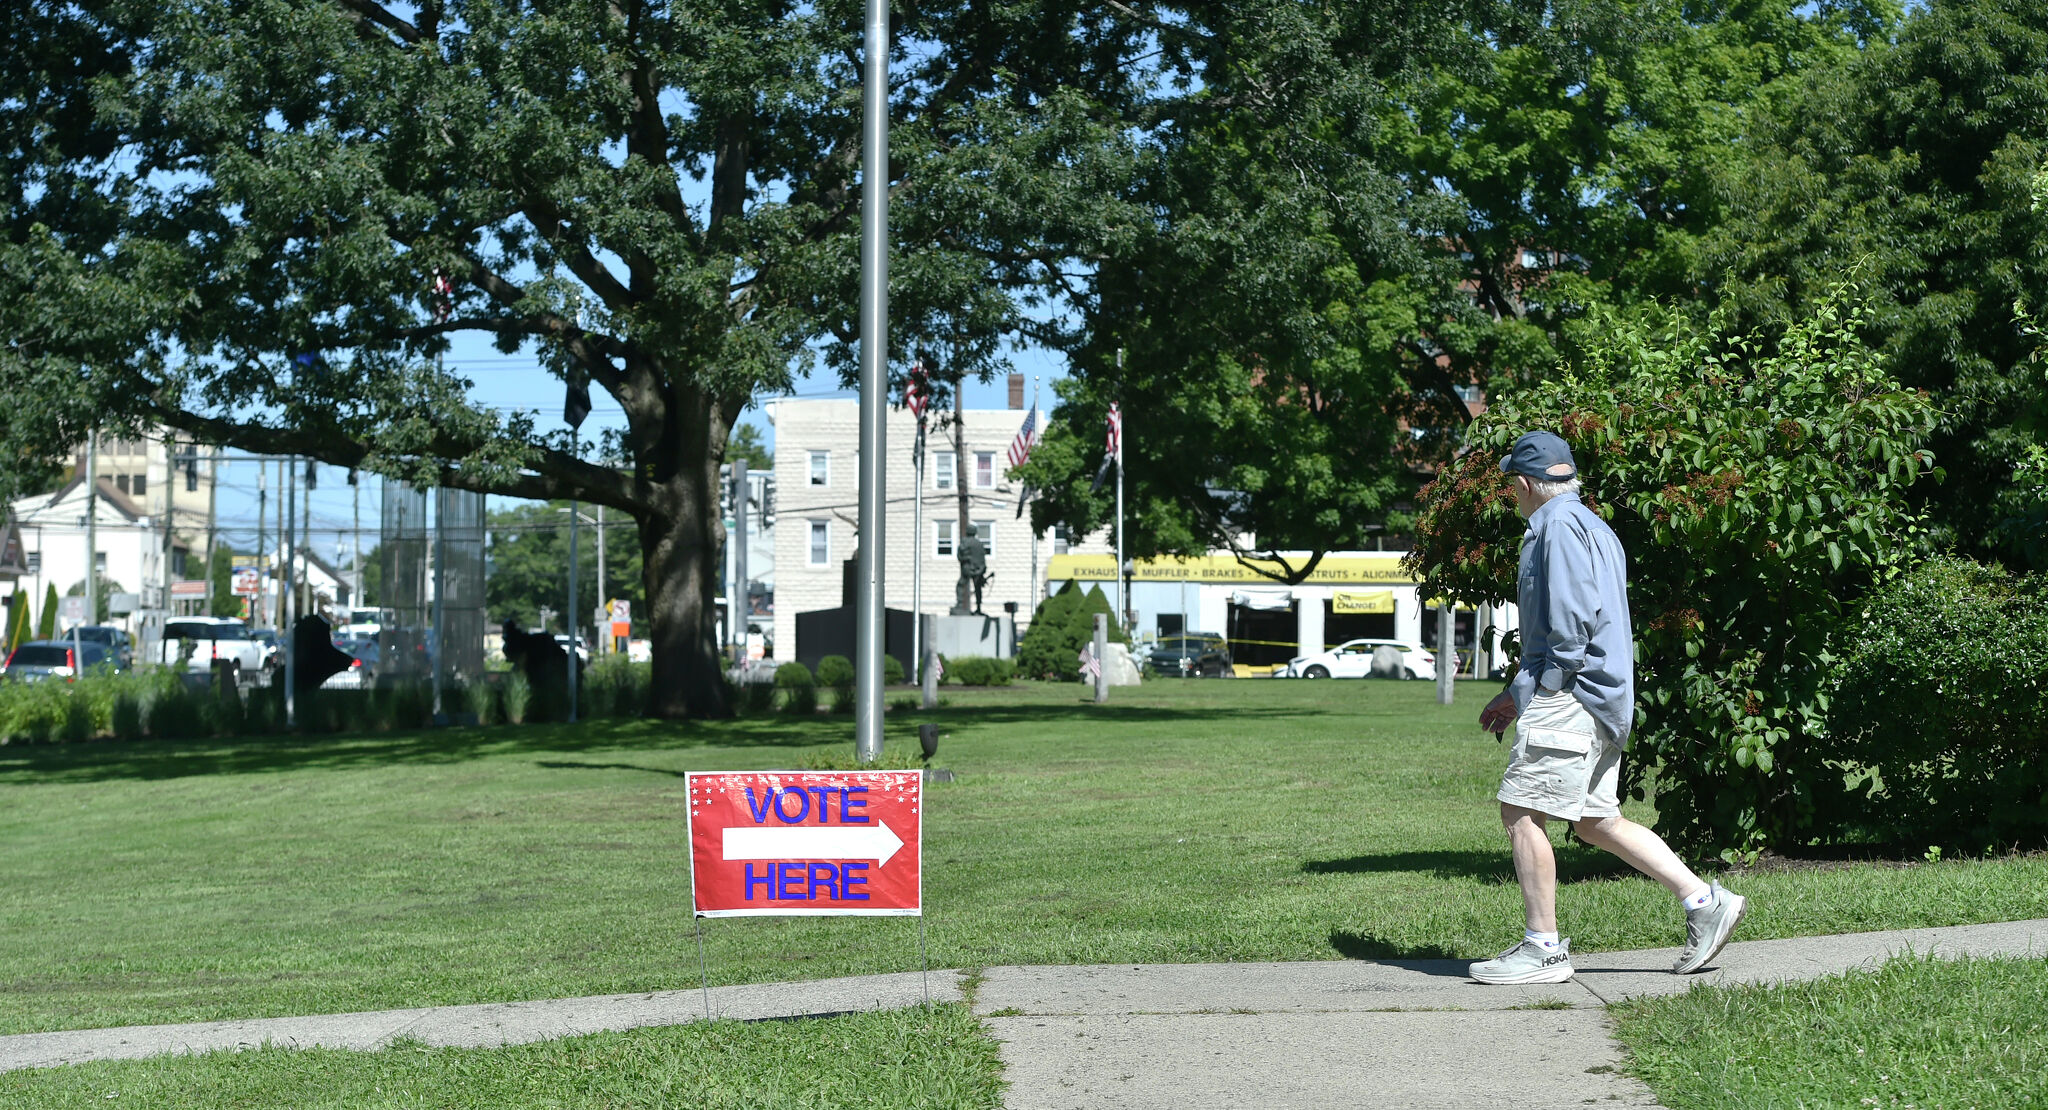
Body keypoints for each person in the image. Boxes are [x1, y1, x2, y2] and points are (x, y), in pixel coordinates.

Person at [1469, 430, 1747, 985]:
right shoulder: (1595, 526)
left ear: (1526, 484)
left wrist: (1543, 689)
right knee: (1597, 820)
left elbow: (1571, 625)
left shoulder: (1554, 529)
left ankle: (1542, 950)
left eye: (1512, 487)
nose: (1513, 497)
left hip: (1571, 693)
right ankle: (1703, 902)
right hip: (1603, 696)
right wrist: (1516, 692)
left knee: (1521, 810)